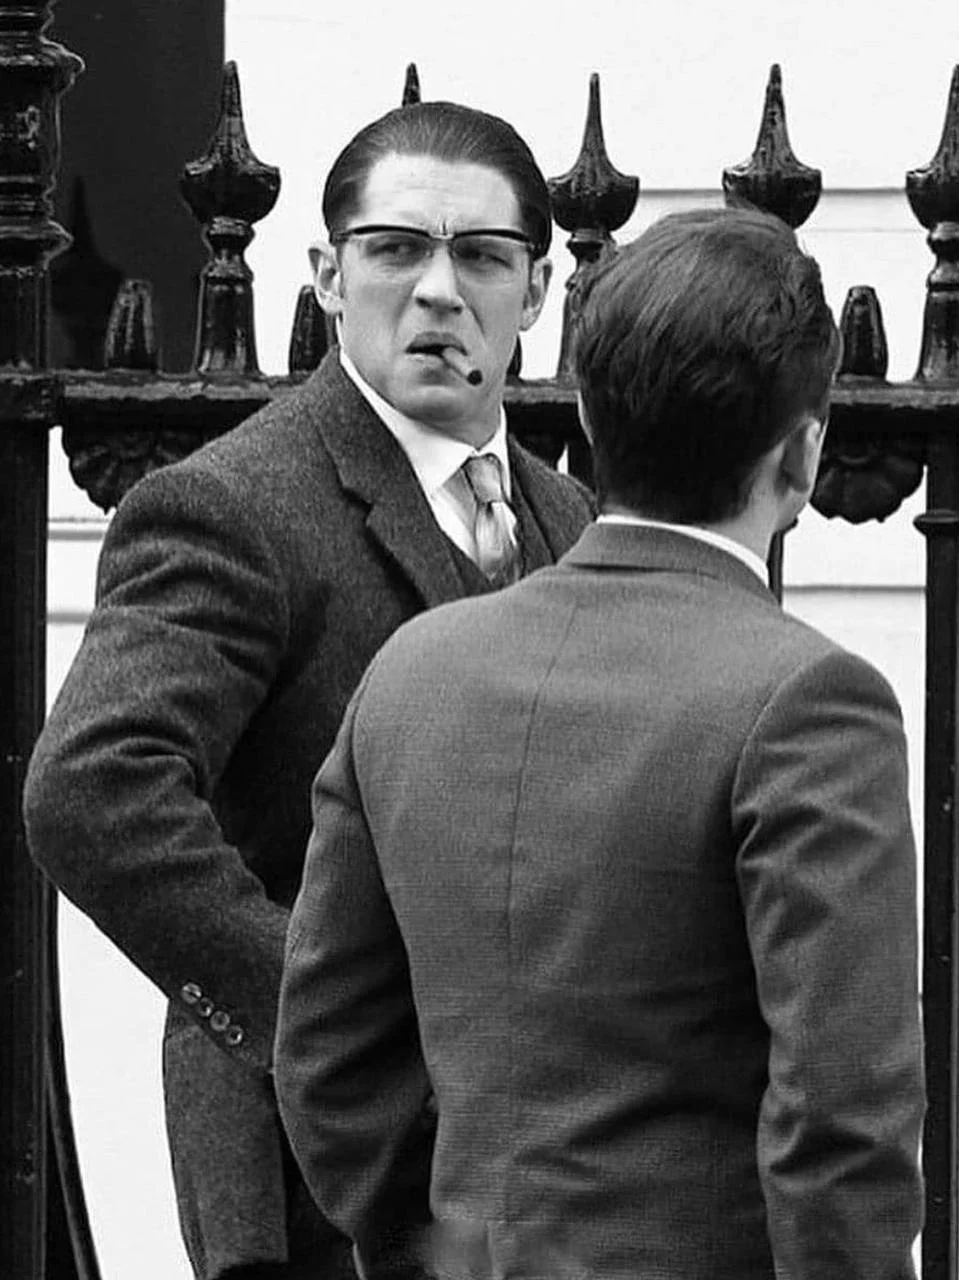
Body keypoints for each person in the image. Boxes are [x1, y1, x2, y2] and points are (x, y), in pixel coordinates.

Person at [274, 206, 926, 1280]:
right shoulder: (812, 700)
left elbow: (328, 1056)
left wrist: (440, 1247)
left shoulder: (413, 672)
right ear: (803, 453)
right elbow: (841, 1119)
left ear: (586, 413)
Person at [23, 101, 593, 1280]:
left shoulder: (568, 516)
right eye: (395, 249)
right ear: (329, 277)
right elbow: (90, 789)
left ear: (537, 290)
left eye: (483, 257)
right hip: (311, 1181)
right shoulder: (233, 504)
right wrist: (327, 1024)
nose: (437, 291)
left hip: (540, 1172)